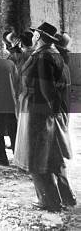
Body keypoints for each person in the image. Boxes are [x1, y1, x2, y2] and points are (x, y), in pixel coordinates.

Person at [14, 22, 75, 212]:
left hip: (37, 112)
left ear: (39, 37)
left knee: (37, 157)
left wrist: (49, 113)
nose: (32, 37)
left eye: (34, 34)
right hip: (46, 110)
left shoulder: (42, 57)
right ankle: (67, 196)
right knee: (54, 154)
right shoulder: (54, 53)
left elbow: (46, 88)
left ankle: (48, 200)